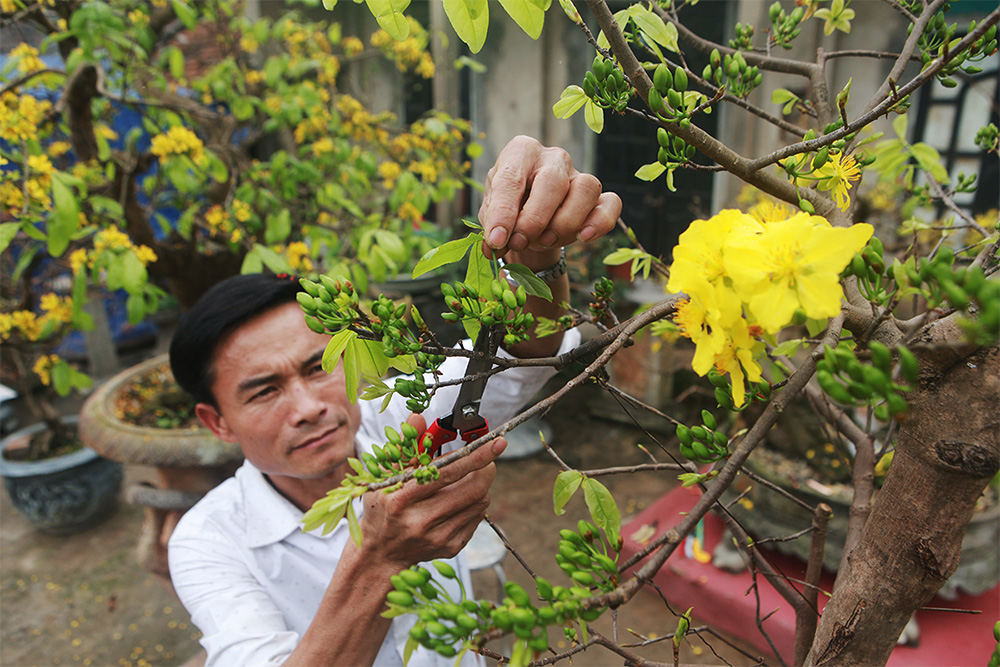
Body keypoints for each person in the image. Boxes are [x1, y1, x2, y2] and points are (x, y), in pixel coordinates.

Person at [166, 136, 623, 666]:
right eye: (264, 390)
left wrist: (537, 251)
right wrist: (381, 560)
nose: (309, 406)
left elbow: (523, 355)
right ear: (216, 421)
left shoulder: (397, 420)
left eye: (318, 367)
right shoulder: (209, 540)